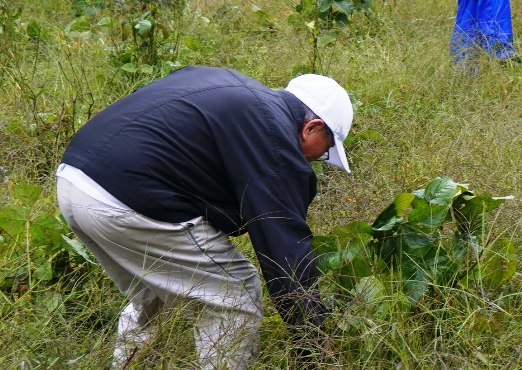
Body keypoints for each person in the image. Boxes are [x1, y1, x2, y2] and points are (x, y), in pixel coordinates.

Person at [55, 66, 353, 369]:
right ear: (312, 127)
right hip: (125, 202)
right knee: (235, 294)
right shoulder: (273, 136)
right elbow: (286, 254)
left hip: (73, 182)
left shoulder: (231, 89)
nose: (317, 160)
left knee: (157, 294)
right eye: (326, 150)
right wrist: (313, 348)